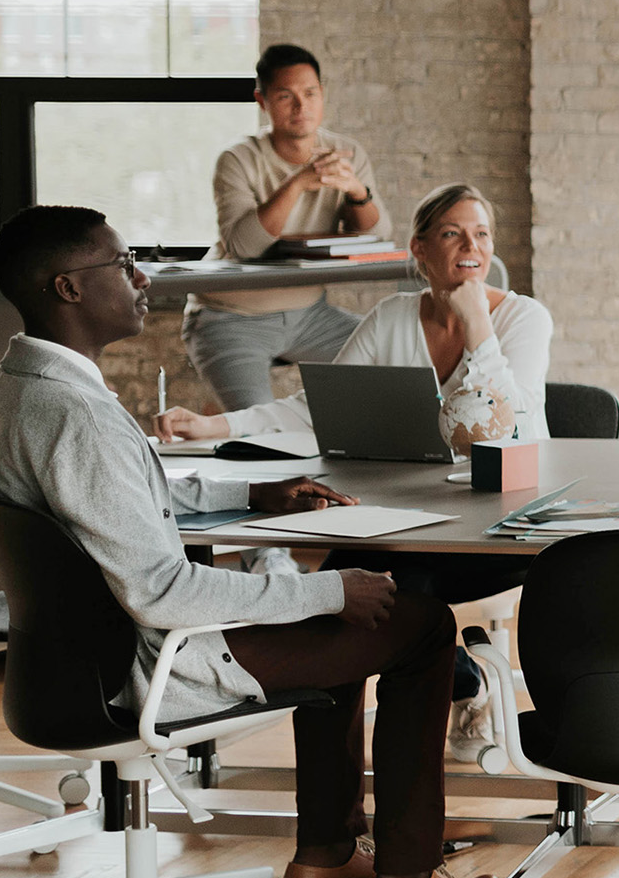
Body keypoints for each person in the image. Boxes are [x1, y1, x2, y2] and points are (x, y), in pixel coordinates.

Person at [0, 205, 497, 878]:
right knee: (418, 625)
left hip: (79, 660)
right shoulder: (76, 414)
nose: (141, 277)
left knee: (346, 621)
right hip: (154, 663)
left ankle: (327, 858)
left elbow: (117, 500)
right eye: (121, 266)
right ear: (68, 288)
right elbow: (161, 590)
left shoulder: (10, 390)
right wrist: (327, 592)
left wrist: (251, 494)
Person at [156, 183, 554, 761]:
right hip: (403, 521)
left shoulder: (522, 319)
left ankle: (415, 788)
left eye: (482, 234)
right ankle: (334, 816)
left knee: (394, 598)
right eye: (452, 233)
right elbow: (318, 405)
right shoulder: (393, 317)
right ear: (418, 251)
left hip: (491, 530)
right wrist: (216, 426)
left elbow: (513, 426)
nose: (471, 246)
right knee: (335, 600)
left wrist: (477, 325)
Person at [184, 42, 384, 415]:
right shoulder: (237, 159)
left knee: (395, 360)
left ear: (322, 94)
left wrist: (357, 191)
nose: (301, 106)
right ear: (262, 101)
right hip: (230, 317)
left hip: (310, 314)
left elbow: (377, 238)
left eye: (310, 94)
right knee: (257, 433)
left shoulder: (345, 152)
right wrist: (297, 183)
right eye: (285, 96)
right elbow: (244, 245)